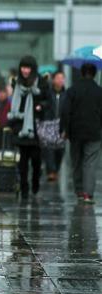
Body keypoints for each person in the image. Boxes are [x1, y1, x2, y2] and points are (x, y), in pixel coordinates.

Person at [8, 55, 49, 200]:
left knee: (36, 159)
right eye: (23, 67)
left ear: (33, 69)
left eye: (28, 67)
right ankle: (24, 188)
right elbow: (13, 104)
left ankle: (35, 181)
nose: (25, 70)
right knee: (22, 161)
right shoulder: (17, 83)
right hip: (20, 128)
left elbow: (47, 101)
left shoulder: (42, 83)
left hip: (36, 128)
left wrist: (40, 106)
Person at [61, 63, 102, 203]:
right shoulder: (99, 91)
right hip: (94, 133)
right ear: (95, 74)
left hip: (75, 133)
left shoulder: (72, 90)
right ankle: (88, 194)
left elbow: (65, 111)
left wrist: (64, 129)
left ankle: (79, 191)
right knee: (90, 163)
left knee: (77, 162)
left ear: (81, 73)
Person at [43, 71, 66, 182]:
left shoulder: (67, 94)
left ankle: (55, 170)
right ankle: (51, 171)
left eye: (62, 78)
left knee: (60, 150)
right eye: (58, 78)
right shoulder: (48, 93)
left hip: (61, 125)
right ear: (54, 79)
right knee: (49, 149)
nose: (60, 80)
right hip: (49, 124)